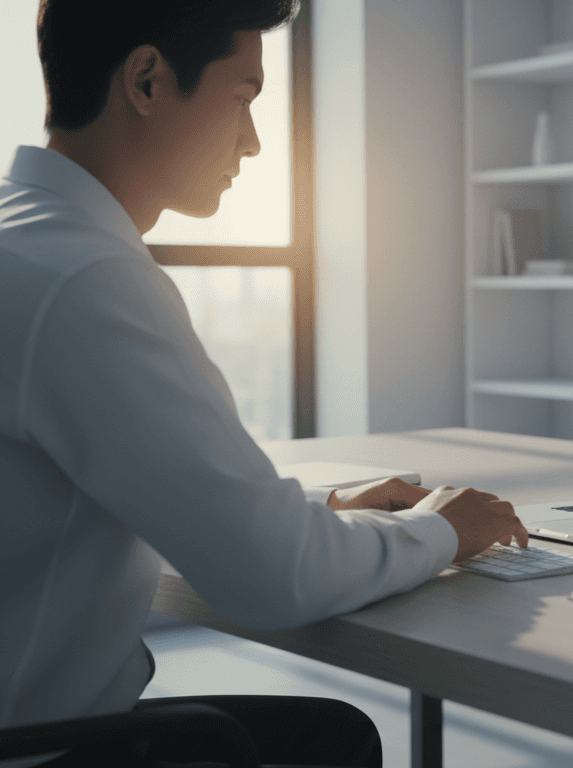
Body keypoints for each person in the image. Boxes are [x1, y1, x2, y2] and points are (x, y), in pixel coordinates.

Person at [0, 2, 527, 766]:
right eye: (243, 98)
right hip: (46, 750)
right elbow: (276, 580)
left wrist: (320, 511)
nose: (251, 142)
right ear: (147, 80)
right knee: (332, 741)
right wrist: (442, 528)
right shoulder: (86, 278)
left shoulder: (25, 237)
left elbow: (138, 489)